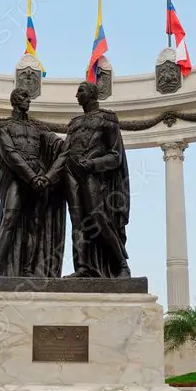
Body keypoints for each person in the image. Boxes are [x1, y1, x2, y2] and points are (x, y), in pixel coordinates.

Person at [0, 88, 66, 278]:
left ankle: (28, 267)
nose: (28, 100)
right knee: (9, 217)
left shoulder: (38, 127)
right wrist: (31, 177)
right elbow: (10, 154)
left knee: (36, 224)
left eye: (27, 97)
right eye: (23, 97)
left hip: (39, 176)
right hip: (19, 178)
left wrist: (49, 174)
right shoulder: (2, 125)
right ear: (14, 101)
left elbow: (58, 145)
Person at [49, 81, 131, 278]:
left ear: (93, 93)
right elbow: (65, 152)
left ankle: (121, 265)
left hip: (93, 174)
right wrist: (50, 175)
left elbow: (115, 156)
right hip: (71, 172)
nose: (76, 95)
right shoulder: (74, 123)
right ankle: (82, 267)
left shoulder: (108, 119)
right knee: (77, 223)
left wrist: (93, 164)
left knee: (98, 218)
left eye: (80, 90)